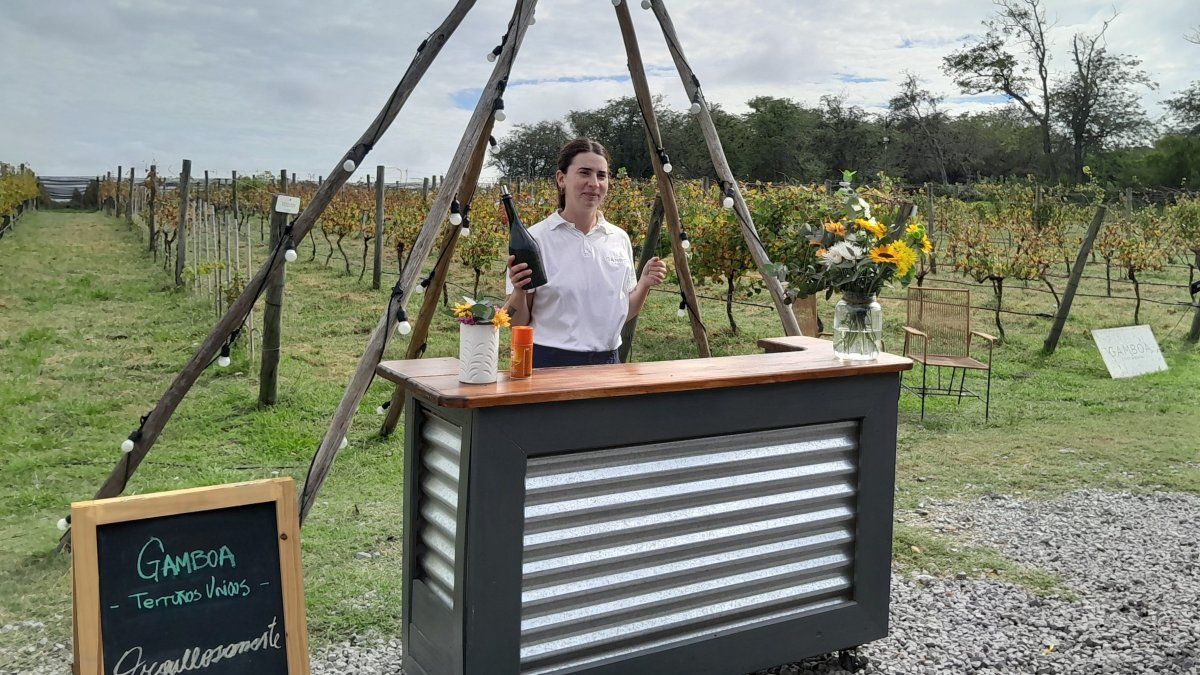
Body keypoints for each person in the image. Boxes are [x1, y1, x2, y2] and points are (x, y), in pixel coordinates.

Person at [505, 138, 667, 367]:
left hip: (608, 360)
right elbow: (517, 323)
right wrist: (519, 292)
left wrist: (644, 284)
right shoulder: (535, 240)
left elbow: (623, 311)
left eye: (601, 175)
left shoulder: (618, 239)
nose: (594, 183)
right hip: (550, 362)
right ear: (561, 179)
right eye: (584, 173)